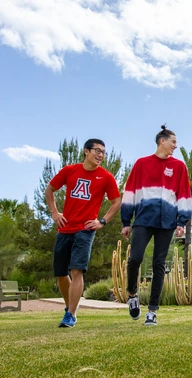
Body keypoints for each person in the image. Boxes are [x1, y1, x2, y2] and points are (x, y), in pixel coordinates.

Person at [45, 138, 121, 328]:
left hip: (85, 230)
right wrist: (55, 213)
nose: (101, 155)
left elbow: (116, 202)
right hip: (64, 228)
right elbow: (50, 189)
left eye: (103, 152)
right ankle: (69, 307)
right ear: (86, 151)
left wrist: (102, 221)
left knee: (76, 269)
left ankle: (71, 314)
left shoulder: (106, 177)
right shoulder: (69, 171)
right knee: (61, 273)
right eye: (97, 150)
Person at [121, 124, 192, 326]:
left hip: (167, 222)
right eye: (173, 142)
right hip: (143, 219)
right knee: (135, 258)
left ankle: (152, 311)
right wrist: (126, 221)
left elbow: (184, 195)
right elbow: (130, 192)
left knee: (159, 264)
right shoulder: (141, 163)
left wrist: (181, 221)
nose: (175, 146)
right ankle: (132, 294)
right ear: (162, 141)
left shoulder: (179, 167)